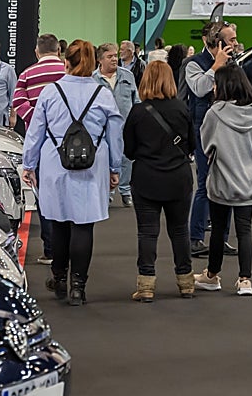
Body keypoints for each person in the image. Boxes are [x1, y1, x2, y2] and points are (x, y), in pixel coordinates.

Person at [22, 40, 124, 306]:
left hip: (56, 164)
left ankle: (59, 277)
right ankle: (78, 286)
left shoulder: (50, 92)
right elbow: (115, 136)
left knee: (58, 222)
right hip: (92, 165)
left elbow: (35, 132)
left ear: (65, 61)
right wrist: (115, 168)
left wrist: (28, 164)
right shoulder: (103, 95)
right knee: (83, 224)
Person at [122, 61, 194, 303]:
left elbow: (129, 150)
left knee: (147, 233)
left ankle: (146, 285)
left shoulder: (137, 112)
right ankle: (186, 282)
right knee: (180, 231)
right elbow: (192, 144)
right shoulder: (182, 109)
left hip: (147, 178)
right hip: (178, 178)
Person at [195, 64, 252, 296]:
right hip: (249, 180)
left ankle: (212, 275)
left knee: (218, 230)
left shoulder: (215, 113)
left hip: (222, 180)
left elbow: (206, 145)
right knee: (245, 230)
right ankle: (245, 280)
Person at [180, 20, 239, 258]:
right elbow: (199, 89)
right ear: (218, 42)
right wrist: (216, 66)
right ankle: (195, 238)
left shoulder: (234, 63)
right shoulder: (193, 64)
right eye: (231, 39)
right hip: (204, 128)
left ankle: (221, 239)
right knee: (205, 183)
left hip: (229, 129)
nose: (235, 43)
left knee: (227, 183)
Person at [13, 33, 68, 264]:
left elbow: (17, 102)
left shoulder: (27, 74)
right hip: (68, 142)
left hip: (41, 144)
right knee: (68, 195)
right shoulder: (68, 73)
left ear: (37, 52)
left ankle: (50, 249)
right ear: (58, 51)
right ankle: (69, 245)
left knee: (44, 196)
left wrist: (38, 121)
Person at [94, 42, 141, 207]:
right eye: (110, 56)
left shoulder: (127, 76)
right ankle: (107, 193)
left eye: (115, 55)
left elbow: (136, 101)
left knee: (127, 159)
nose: (115, 59)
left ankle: (125, 191)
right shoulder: (93, 79)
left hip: (126, 126)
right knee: (105, 159)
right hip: (101, 129)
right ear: (100, 60)